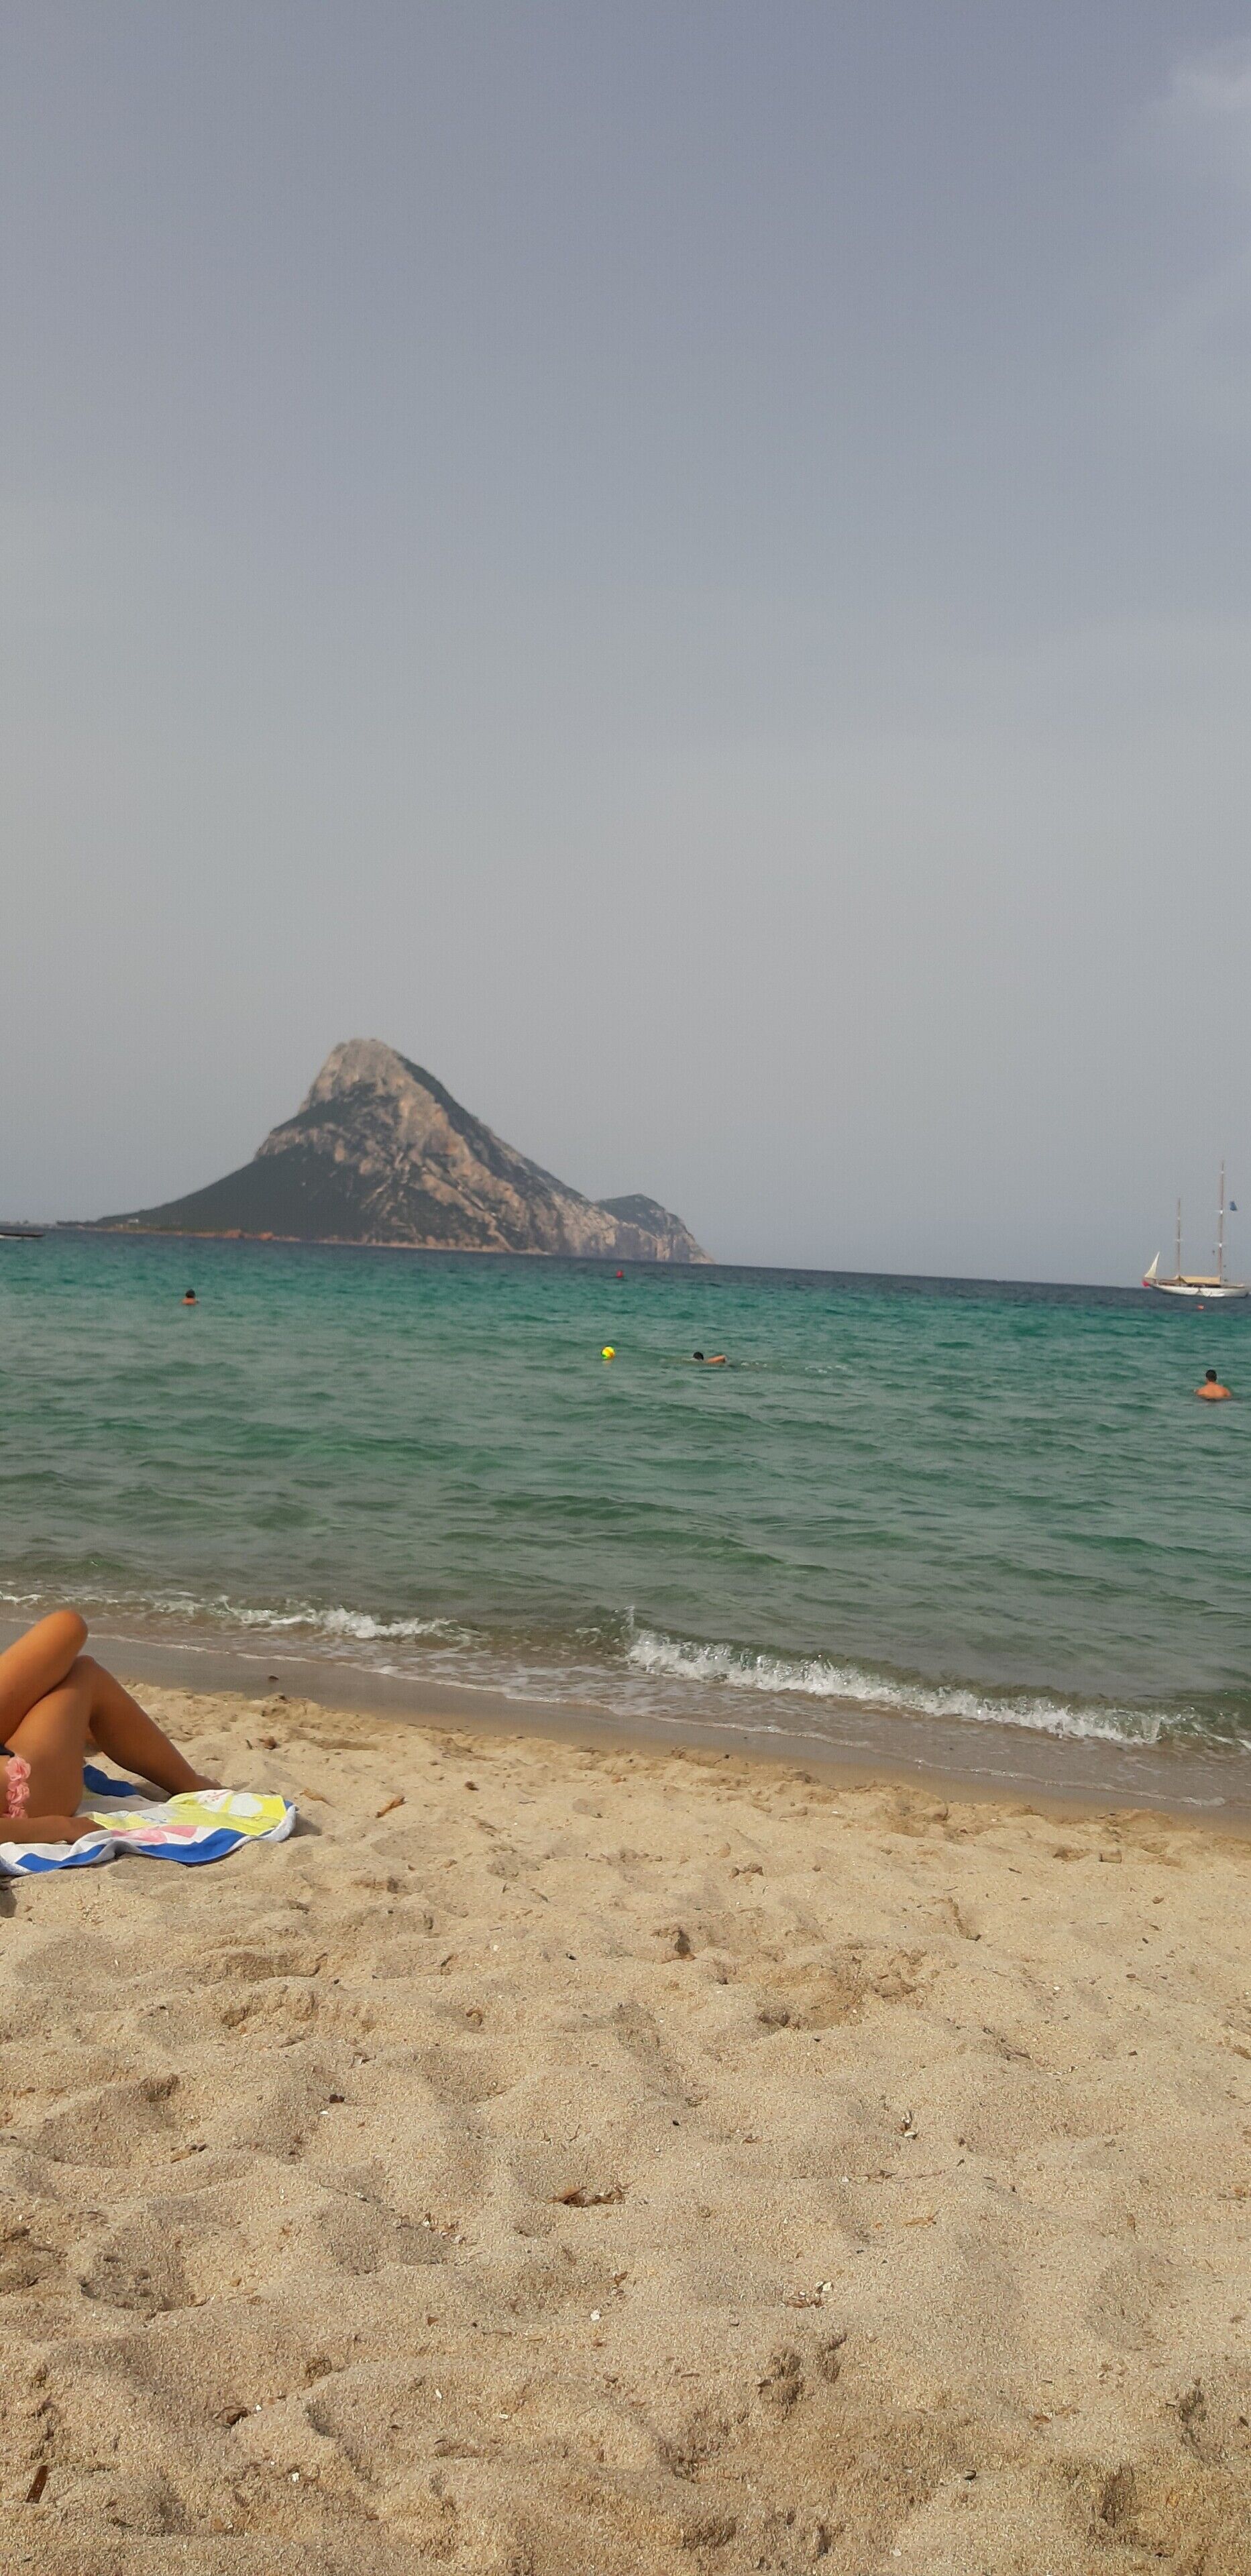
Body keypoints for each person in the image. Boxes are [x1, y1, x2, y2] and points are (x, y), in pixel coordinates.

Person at [0, 1610, 218, 1845]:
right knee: (85, 1673)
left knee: (67, 1627)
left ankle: (77, 1727)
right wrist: (63, 1827)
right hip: (25, 1790)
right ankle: (189, 1783)